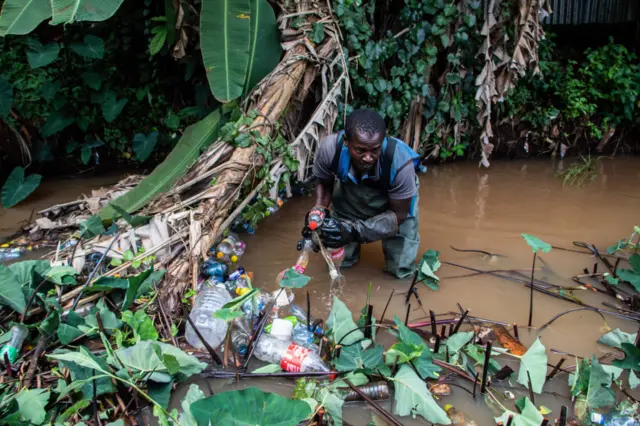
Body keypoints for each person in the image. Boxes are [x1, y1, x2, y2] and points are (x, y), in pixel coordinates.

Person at [302, 109, 421, 279]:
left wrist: (353, 232)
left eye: (375, 150)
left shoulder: (400, 162)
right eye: (360, 150)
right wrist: (318, 214)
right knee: (340, 262)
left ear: (383, 142)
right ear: (346, 142)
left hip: (396, 204)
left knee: (400, 269)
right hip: (350, 196)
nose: (368, 157)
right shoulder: (330, 149)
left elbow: (399, 215)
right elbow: (324, 186)